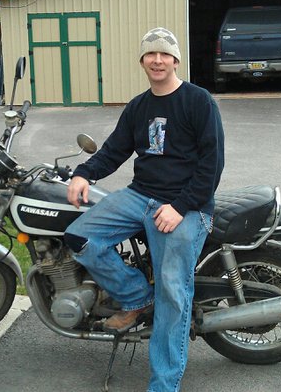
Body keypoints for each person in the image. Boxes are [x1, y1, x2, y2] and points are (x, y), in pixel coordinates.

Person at [64, 27, 224, 391]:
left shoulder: (198, 101)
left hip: (188, 205)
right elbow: (114, 150)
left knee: (172, 291)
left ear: (175, 60)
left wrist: (180, 206)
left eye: (165, 54)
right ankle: (136, 296)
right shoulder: (139, 106)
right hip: (141, 195)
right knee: (80, 237)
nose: (157, 60)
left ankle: (164, 384)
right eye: (150, 54)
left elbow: (212, 165)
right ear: (142, 61)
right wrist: (83, 173)